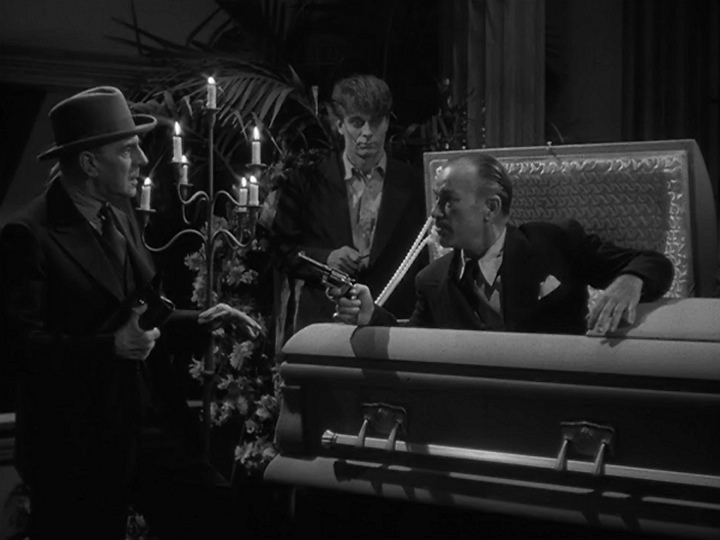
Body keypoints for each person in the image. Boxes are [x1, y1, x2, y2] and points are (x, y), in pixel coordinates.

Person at [0, 86, 263, 539]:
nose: (141, 160)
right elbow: (20, 351)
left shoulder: (118, 216)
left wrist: (198, 319)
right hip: (74, 444)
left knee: (221, 511)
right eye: (127, 150)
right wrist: (110, 348)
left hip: (145, 425)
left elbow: (137, 311)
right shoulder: (28, 234)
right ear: (89, 163)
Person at [332, 153, 674, 335]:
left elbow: (654, 262)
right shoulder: (432, 281)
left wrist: (629, 282)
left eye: (449, 201)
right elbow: (415, 349)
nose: (435, 213)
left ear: (491, 208)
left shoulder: (555, 243)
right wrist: (371, 316)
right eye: (436, 200)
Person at [271, 73, 429, 335]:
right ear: (339, 124)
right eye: (357, 122)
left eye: (375, 122)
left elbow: (428, 257)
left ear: (387, 123)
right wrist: (326, 259)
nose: (367, 132)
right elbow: (280, 250)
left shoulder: (415, 184)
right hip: (324, 323)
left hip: (392, 324)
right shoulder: (307, 180)